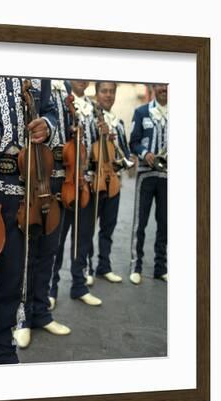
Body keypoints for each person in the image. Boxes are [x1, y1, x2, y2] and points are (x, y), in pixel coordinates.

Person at [0, 77, 58, 364]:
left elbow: (50, 110)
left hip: (24, 187)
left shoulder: (41, 73)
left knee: (13, 278)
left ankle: (4, 352)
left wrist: (47, 124)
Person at [11, 78, 74, 349]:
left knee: (49, 249)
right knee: (27, 254)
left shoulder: (65, 86)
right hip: (33, 169)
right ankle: (21, 319)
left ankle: (42, 314)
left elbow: (58, 120)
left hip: (59, 171)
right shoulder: (31, 79)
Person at [49, 80, 105, 308]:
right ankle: (50, 290)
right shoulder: (59, 100)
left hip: (86, 182)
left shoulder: (93, 109)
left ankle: (79, 285)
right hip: (65, 181)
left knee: (83, 239)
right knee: (58, 241)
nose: (82, 81)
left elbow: (95, 147)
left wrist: (102, 134)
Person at [86, 81, 133, 284]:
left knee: (108, 227)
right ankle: (86, 268)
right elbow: (87, 149)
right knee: (88, 228)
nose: (108, 95)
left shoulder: (119, 123)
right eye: (104, 91)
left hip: (113, 181)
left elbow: (126, 153)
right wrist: (100, 133)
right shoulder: (90, 118)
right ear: (97, 94)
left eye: (111, 92)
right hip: (95, 181)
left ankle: (104, 266)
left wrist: (114, 146)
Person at [129, 84, 168, 285]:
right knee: (140, 222)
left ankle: (161, 267)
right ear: (154, 87)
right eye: (160, 85)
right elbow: (133, 142)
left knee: (165, 224)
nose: (164, 88)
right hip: (146, 174)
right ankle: (136, 266)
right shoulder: (141, 111)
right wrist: (145, 154)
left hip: (169, 177)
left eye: (167, 85)